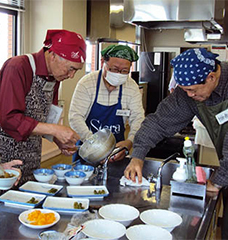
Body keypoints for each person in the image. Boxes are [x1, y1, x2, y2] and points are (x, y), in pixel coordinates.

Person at [124, 48, 228, 239]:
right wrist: (138, 154)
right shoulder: (188, 94)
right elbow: (159, 122)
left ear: (211, 77)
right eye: (185, 90)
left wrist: (221, 179)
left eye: (192, 90)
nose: (189, 95)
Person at [0, 29, 86, 185]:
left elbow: (46, 117)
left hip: (32, 157)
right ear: (52, 55)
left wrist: (58, 139)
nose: (71, 76)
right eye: (71, 69)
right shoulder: (18, 67)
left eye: (76, 71)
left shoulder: (54, 77)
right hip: (5, 159)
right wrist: (55, 130)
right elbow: (8, 118)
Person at [69, 45, 144, 162]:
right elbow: (75, 117)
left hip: (117, 150)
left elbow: (138, 118)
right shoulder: (87, 83)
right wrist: (96, 147)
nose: (119, 74)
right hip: (88, 148)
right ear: (102, 62)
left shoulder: (131, 87)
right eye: (114, 69)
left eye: (124, 71)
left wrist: (130, 142)